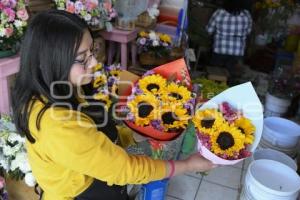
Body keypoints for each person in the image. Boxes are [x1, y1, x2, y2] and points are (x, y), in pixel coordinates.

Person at [12, 10, 216, 200]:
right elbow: (126, 170)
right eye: (83, 59)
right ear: (50, 61)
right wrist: (187, 165)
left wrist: (134, 135)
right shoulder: (58, 125)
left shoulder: (52, 89)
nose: (94, 64)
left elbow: (93, 139)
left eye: (92, 51)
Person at [206, 0, 252, 76]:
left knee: (216, 75)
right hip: (238, 53)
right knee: (232, 77)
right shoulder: (246, 14)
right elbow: (248, 32)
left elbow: (209, 30)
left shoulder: (219, 13)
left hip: (219, 50)